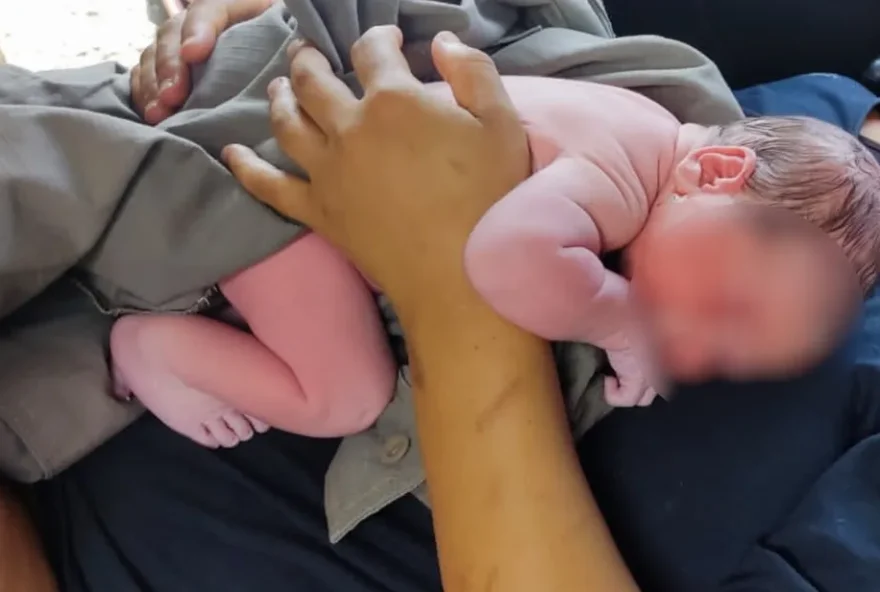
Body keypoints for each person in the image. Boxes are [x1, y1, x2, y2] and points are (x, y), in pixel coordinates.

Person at [4, 4, 880, 592]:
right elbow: (506, 260)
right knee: (339, 390)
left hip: (312, 206)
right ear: (718, 170)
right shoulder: (625, 169)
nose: (699, 344)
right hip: (276, 203)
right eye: (727, 309)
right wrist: (618, 319)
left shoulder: (676, 161)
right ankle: (150, 351)